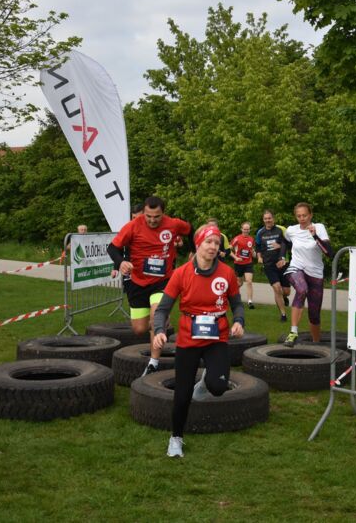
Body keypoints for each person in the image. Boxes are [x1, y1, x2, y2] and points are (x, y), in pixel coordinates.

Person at [152, 224, 245, 458]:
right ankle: (176, 438)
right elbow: (162, 309)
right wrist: (160, 330)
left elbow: (237, 304)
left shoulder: (227, 273)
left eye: (216, 243)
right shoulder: (181, 273)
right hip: (188, 338)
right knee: (182, 394)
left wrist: (239, 321)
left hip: (217, 336)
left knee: (218, 387)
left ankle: (204, 382)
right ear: (198, 244)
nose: (213, 247)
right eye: (208, 242)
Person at [108, 196, 192, 376]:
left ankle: (153, 362)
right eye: (148, 216)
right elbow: (112, 248)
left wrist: (194, 251)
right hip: (137, 282)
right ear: (144, 213)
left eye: (157, 216)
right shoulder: (133, 226)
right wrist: (121, 262)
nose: (152, 220)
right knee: (139, 329)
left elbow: (190, 230)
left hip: (163, 281)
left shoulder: (173, 224)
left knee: (155, 318)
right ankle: (161, 322)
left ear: (163, 213)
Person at [282, 202, 334, 346]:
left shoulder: (319, 228)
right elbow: (284, 241)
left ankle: (316, 344)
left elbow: (329, 252)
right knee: (301, 289)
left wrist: (315, 236)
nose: (302, 218)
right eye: (299, 216)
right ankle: (293, 332)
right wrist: (282, 257)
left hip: (315, 273)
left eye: (304, 215)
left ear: (310, 215)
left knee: (314, 314)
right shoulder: (291, 230)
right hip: (296, 267)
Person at [255, 210, 291, 321]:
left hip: (283, 263)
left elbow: (290, 243)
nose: (268, 220)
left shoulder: (281, 229)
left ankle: (284, 297)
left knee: (286, 291)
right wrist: (259, 257)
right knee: (277, 288)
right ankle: (283, 314)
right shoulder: (260, 232)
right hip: (269, 264)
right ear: (263, 220)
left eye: (269, 218)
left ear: (273, 218)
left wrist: (280, 246)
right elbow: (258, 247)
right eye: (265, 218)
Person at [230, 222, 256, 309]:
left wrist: (254, 254)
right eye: (244, 229)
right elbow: (228, 250)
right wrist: (236, 258)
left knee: (249, 281)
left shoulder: (251, 239)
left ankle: (250, 302)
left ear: (249, 230)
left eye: (247, 229)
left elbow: (253, 252)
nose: (246, 231)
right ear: (241, 229)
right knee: (239, 283)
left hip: (248, 263)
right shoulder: (237, 238)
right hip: (238, 264)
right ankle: (231, 296)